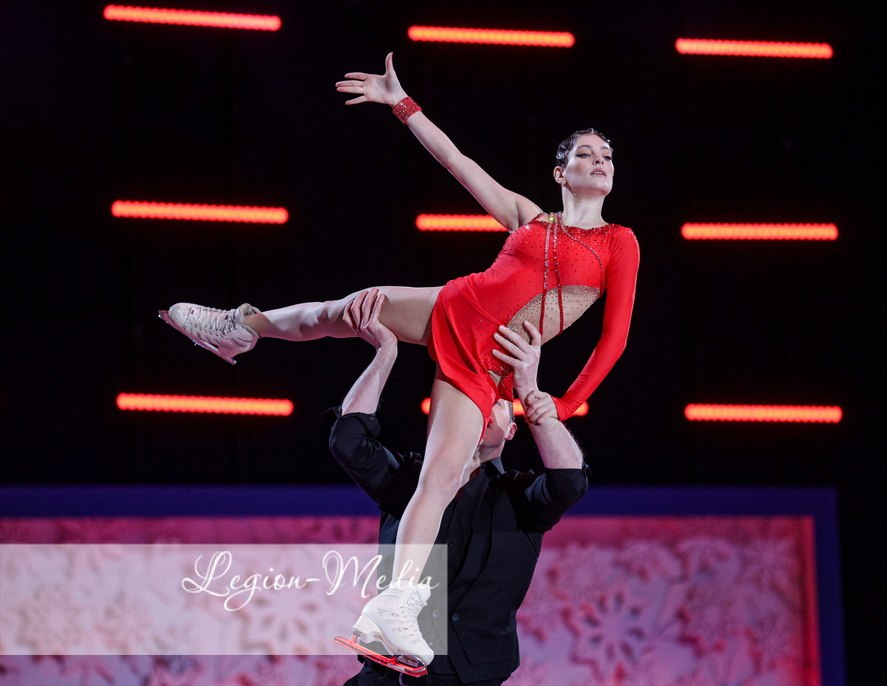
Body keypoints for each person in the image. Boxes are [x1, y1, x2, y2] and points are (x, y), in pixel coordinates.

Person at [160, 53, 637, 667]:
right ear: (560, 172)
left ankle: (392, 608)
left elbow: (614, 338)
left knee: (439, 479)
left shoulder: (618, 243)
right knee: (348, 309)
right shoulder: (529, 217)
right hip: (454, 306)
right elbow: (458, 163)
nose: (600, 161)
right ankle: (239, 330)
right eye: (586, 154)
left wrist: (562, 404)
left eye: (607, 156)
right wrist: (402, 105)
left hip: (486, 361)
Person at [329, 290, 588, 685]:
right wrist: (385, 354)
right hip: (388, 676)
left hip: (473, 677)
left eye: (494, 401)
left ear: (512, 429)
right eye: (469, 400)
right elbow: (348, 442)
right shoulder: (409, 480)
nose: (479, 407)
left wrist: (530, 392)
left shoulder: (517, 498)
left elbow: (569, 481)